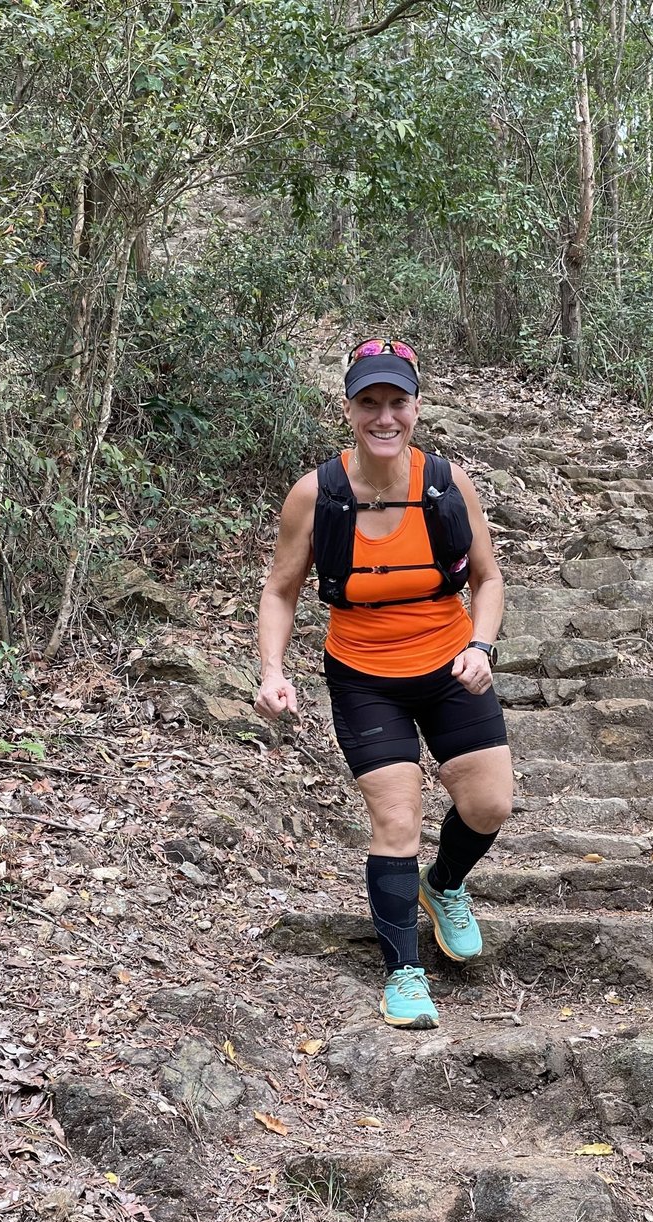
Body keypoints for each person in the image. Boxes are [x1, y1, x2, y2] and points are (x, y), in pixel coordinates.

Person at [254, 338, 513, 1029]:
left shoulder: (446, 485)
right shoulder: (319, 494)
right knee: (396, 819)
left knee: (488, 806)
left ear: (417, 409)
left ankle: (446, 884)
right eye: (369, 403)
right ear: (349, 410)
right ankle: (404, 974)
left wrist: (483, 645)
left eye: (397, 401)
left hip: (453, 663)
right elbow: (281, 592)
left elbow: (487, 579)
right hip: (365, 675)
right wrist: (273, 671)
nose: (384, 416)